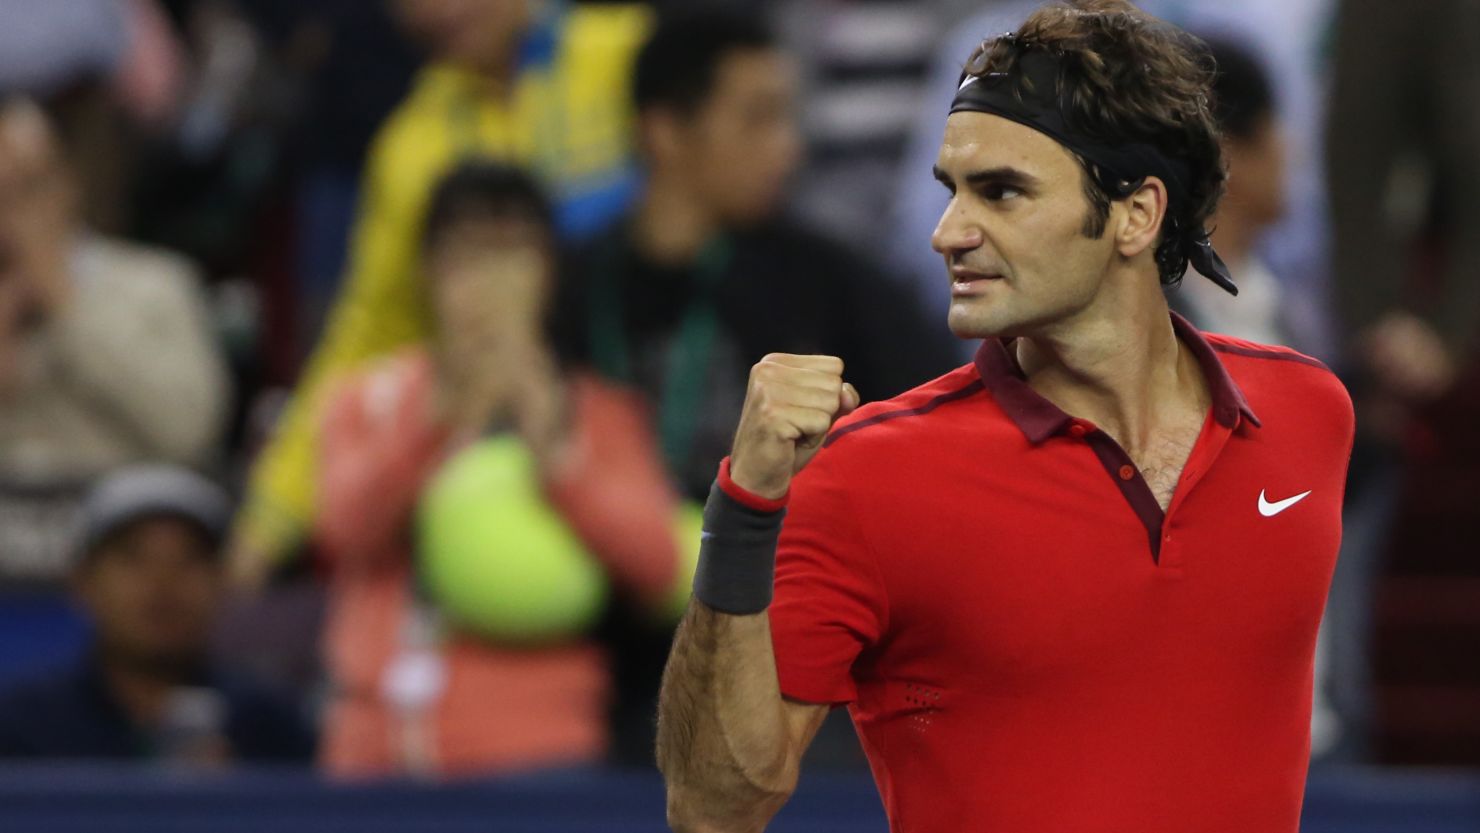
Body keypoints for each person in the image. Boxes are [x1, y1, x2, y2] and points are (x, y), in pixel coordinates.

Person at [655, 2, 1355, 831]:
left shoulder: (1309, 414)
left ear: (1137, 213)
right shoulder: (866, 475)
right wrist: (743, 510)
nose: (949, 232)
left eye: (1002, 192)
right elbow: (711, 806)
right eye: (952, 191)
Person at [228, 0, 653, 583]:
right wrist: (268, 521)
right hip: (499, 432)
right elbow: (367, 331)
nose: (431, 12)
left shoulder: (628, 53)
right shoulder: (411, 145)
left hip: (657, 402)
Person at [314, 161, 687, 777]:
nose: (488, 283)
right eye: (467, 257)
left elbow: (657, 564)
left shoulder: (596, 411)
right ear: (427, 271)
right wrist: (435, 420)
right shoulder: (368, 397)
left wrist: (558, 454)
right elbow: (344, 532)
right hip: (371, 756)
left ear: (548, 273)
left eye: (512, 256)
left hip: (536, 756)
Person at [559, 9, 957, 502]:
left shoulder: (829, 282)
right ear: (665, 132)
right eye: (757, 118)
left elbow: (937, 431)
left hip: (772, 560)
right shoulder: (575, 284)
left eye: (785, 117)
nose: (788, 148)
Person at [0, 97, 228, 583]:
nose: (9, 216)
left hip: (122, 561)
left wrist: (65, 303)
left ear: (67, 185)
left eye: (27, 189)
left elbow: (188, 432)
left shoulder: (154, 284)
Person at [0, 465, 314, 763]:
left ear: (222, 584)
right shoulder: (20, 727)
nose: (162, 582)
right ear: (84, 584)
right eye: (134, 558)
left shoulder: (271, 727)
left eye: (189, 559)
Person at [1171, 36, 1290, 347]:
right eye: (1273, 129)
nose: (1290, 151)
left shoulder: (1275, 301)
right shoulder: (1156, 324)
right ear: (1225, 150)